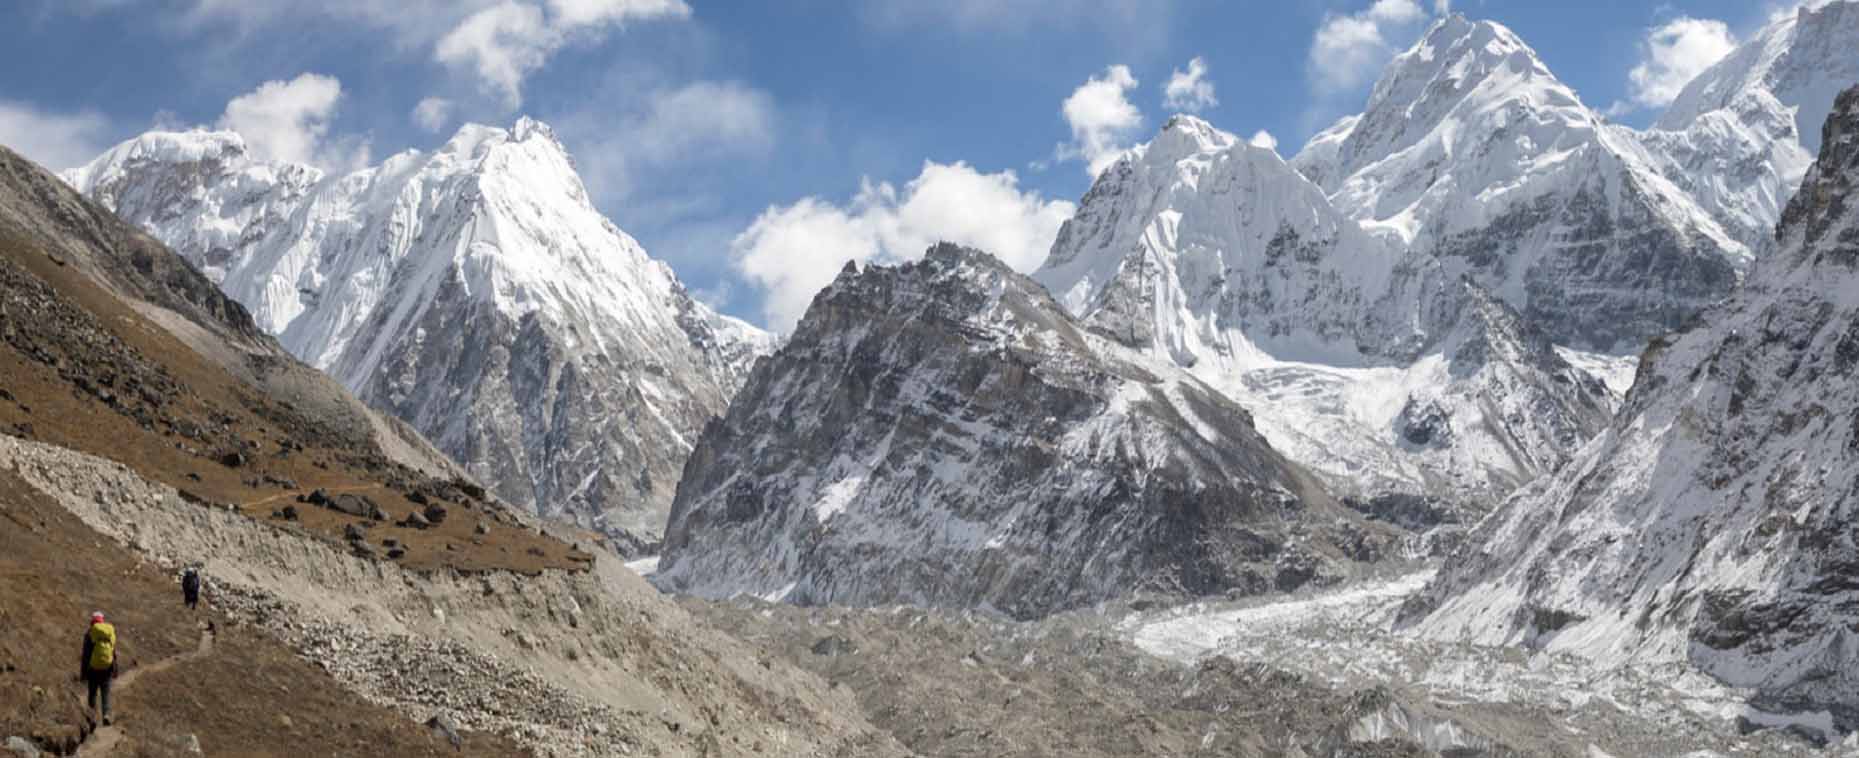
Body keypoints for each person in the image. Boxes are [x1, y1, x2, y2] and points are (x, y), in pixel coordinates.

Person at [79, 611, 117, 725]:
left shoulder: (90, 633)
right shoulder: (110, 633)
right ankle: (106, 715)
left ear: (92, 621)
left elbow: (86, 655)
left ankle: (92, 718)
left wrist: (83, 673)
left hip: (93, 669)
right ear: (102, 620)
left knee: (92, 694)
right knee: (106, 693)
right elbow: (113, 652)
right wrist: (115, 669)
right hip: (107, 668)